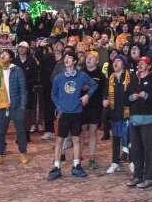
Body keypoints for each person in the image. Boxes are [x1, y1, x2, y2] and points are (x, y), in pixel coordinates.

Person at [47, 50, 97, 180]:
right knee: (59, 140)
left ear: (74, 61)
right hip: (64, 113)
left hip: (77, 112)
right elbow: (53, 94)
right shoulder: (59, 77)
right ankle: (56, 166)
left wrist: (87, 95)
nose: (67, 59)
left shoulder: (81, 76)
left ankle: (76, 165)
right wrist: (59, 106)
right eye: (65, 57)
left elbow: (94, 85)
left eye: (69, 57)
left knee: (76, 139)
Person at [126, 55, 152, 188]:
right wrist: (131, 97)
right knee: (136, 150)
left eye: (143, 63)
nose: (140, 65)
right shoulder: (133, 79)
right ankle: (137, 176)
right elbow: (126, 97)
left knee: (149, 149)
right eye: (139, 63)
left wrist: (147, 96)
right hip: (135, 119)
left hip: (149, 119)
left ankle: (149, 177)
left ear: (149, 66)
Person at [0, 49, 29, 165]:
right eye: (2, 54)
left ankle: (23, 152)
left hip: (16, 106)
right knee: (0, 131)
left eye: (6, 54)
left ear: (10, 58)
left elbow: (23, 90)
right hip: (1, 106)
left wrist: (22, 106)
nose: (3, 55)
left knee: (20, 131)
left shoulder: (17, 70)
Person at [103, 54, 132, 173]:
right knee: (115, 139)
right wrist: (105, 99)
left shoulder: (130, 77)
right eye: (114, 61)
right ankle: (115, 162)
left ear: (124, 64)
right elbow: (105, 93)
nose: (115, 63)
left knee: (130, 138)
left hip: (127, 113)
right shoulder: (110, 78)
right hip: (115, 112)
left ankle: (133, 162)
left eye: (118, 61)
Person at [80, 50, 106, 170]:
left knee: (92, 132)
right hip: (81, 106)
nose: (88, 59)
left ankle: (91, 158)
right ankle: (78, 157)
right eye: (87, 57)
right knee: (81, 132)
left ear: (96, 61)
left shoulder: (100, 75)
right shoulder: (80, 73)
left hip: (95, 107)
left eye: (91, 58)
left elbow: (104, 91)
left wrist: (104, 100)